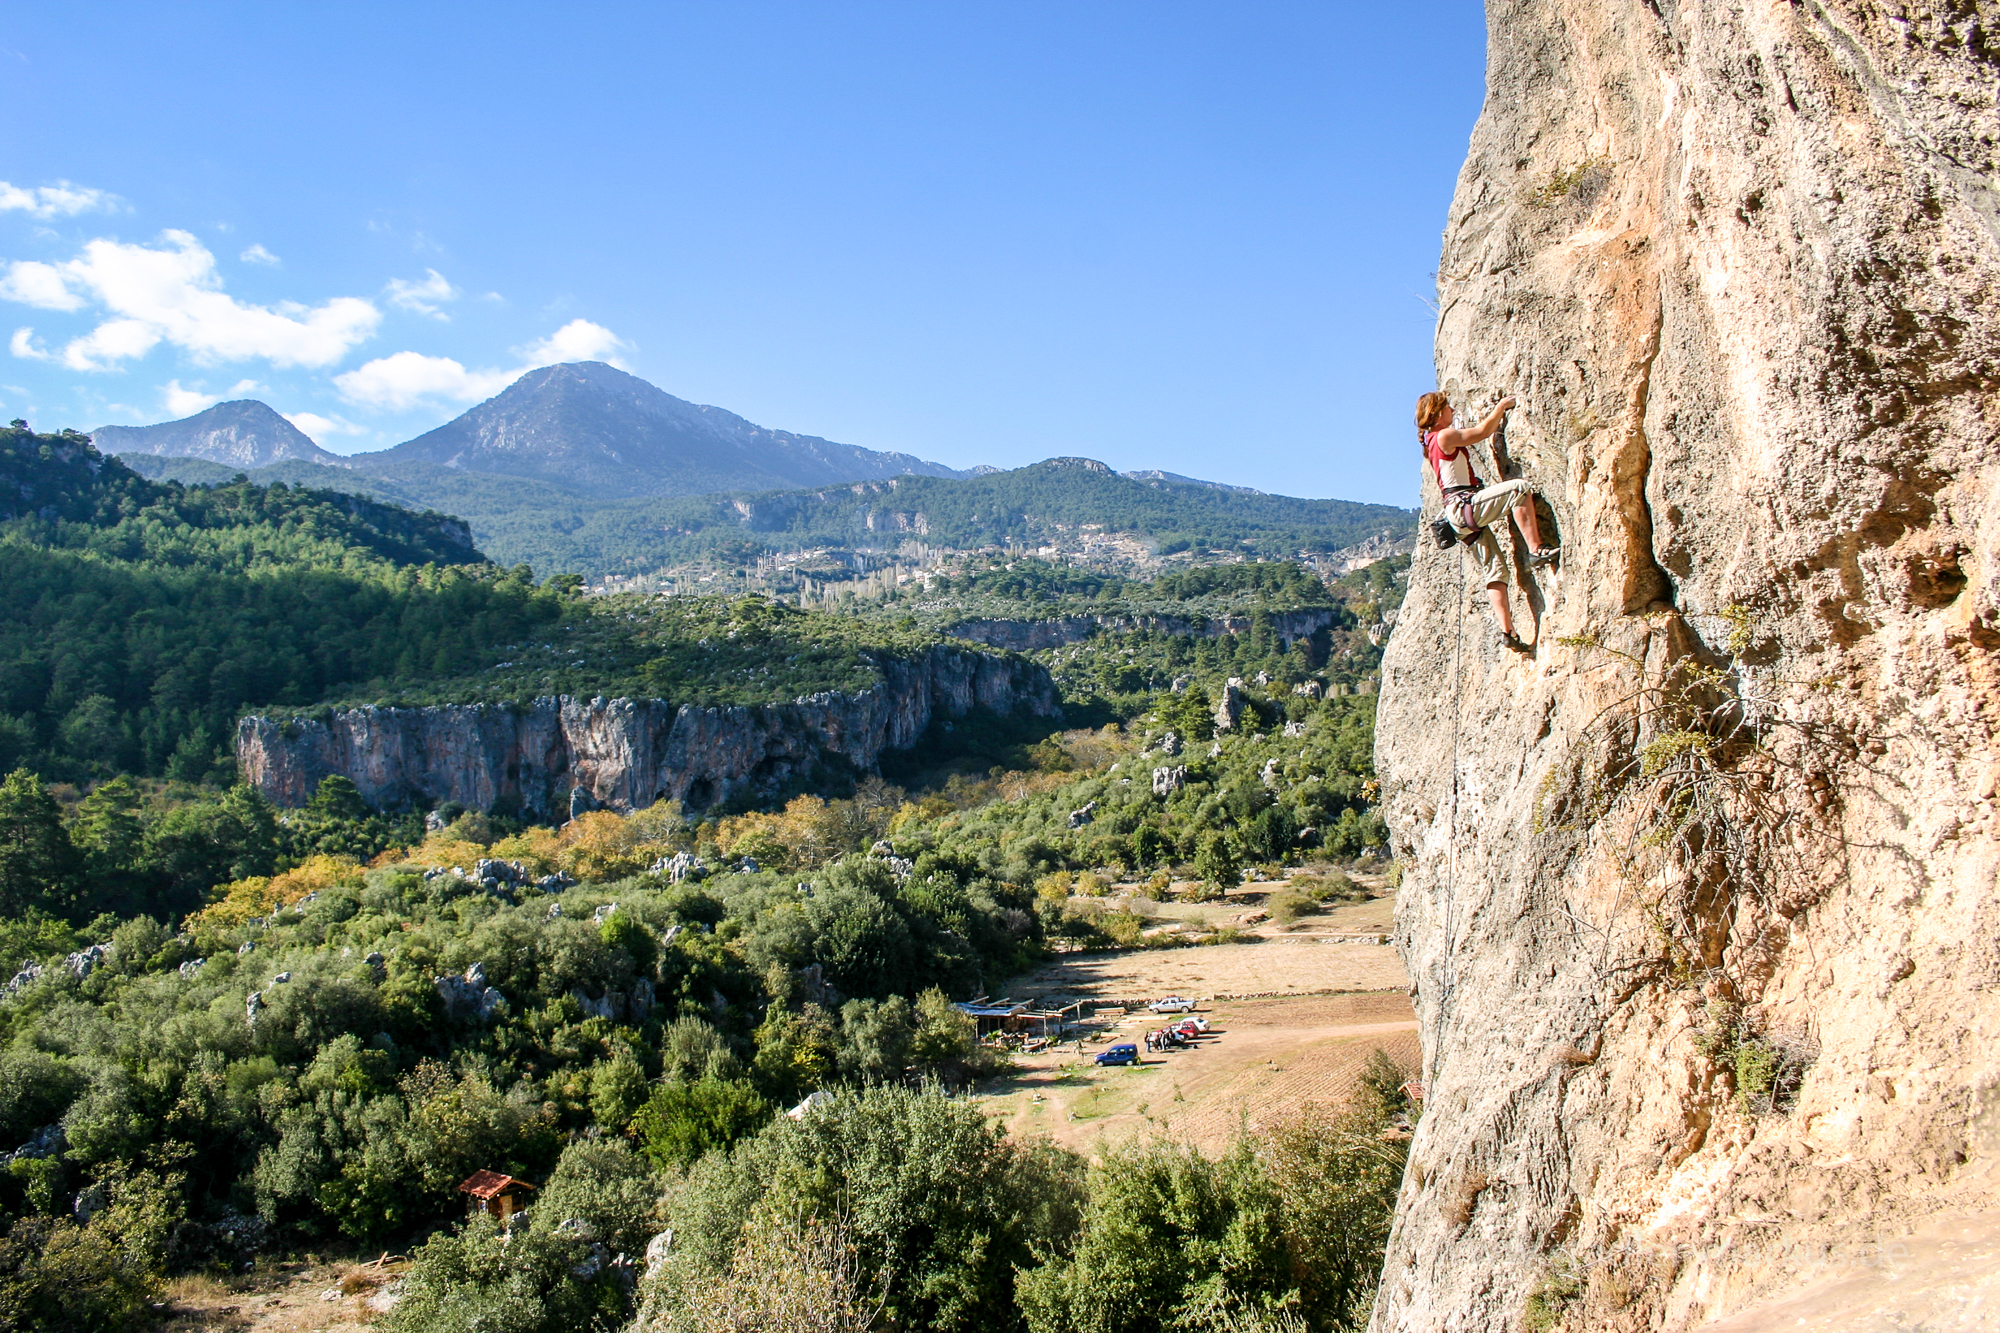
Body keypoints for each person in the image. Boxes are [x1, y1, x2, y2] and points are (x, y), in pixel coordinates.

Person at [1416, 391, 1559, 652]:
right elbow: (1483, 431)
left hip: (1456, 518)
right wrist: (1502, 407)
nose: (1451, 410)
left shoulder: (1432, 442)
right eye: (1447, 407)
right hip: (1464, 506)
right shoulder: (1444, 435)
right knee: (1518, 489)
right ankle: (1537, 549)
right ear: (1437, 414)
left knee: (1495, 570)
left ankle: (1508, 632)